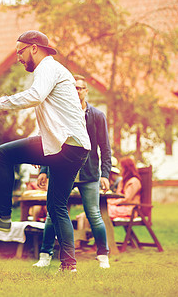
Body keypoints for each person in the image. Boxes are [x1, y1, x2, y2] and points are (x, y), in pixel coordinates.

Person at [0, 30, 91, 272]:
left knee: (3, 154)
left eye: (20, 51)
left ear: (34, 48)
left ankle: (3, 216)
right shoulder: (55, 70)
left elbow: (35, 97)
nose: (18, 57)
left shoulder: (47, 67)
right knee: (57, 206)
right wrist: (43, 144)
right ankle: (69, 266)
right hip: (73, 147)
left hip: (64, 145)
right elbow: (54, 114)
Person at [33, 74, 112, 269]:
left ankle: (103, 256)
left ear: (86, 91)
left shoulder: (98, 116)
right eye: (73, 88)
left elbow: (105, 147)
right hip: (62, 169)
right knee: (53, 213)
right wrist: (44, 169)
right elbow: (49, 141)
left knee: (93, 214)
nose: (76, 91)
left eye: (80, 88)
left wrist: (105, 174)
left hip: (89, 173)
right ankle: (45, 255)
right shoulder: (59, 114)